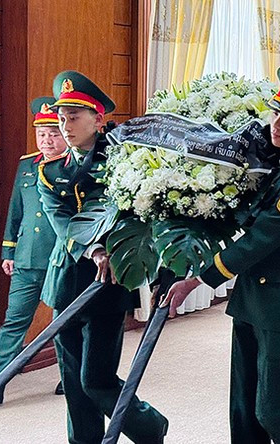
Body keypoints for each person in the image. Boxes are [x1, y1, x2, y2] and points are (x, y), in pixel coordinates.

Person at [163, 65, 280, 443]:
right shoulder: (278, 162)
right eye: (276, 112)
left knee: (275, 410)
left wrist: (200, 279)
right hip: (253, 298)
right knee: (243, 408)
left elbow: (259, 239)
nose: (277, 124)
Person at [38, 71, 168, 443]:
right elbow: (64, 225)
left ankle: (148, 426)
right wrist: (93, 249)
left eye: (74, 116)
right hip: (67, 284)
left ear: (98, 118)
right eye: (61, 117)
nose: (64, 125)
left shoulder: (125, 163)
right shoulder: (50, 172)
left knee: (96, 380)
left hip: (110, 284)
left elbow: (141, 214)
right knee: (74, 387)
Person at [0, 97, 67, 404]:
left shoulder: (76, 166)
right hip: (27, 257)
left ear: (64, 132)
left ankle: (71, 376)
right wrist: (9, 250)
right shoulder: (26, 165)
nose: (47, 139)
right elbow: (16, 211)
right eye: (41, 133)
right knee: (14, 319)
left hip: (62, 258)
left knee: (65, 321)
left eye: (53, 133)